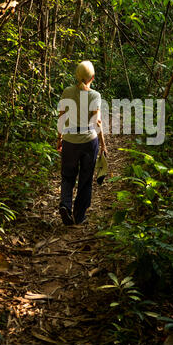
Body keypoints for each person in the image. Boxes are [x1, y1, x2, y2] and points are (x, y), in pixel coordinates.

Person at [56, 60, 107, 225]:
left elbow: (61, 116)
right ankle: (79, 216)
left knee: (67, 177)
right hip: (88, 141)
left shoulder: (67, 92)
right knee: (85, 178)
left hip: (70, 141)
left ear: (77, 76)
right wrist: (103, 145)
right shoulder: (95, 95)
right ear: (92, 77)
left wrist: (59, 138)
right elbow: (97, 122)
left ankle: (65, 205)